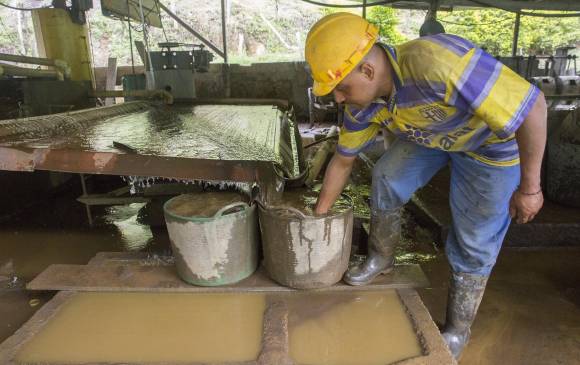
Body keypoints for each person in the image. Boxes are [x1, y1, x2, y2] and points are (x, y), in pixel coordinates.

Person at [305, 12, 546, 359]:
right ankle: (381, 258)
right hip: (433, 139)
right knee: (386, 176)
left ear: (368, 71)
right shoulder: (364, 105)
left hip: (489, 146)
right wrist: (319, 215)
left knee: (474, 241)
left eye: (341, 87)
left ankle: (456, 332)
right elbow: (343, 161)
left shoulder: (437, 63)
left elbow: (533, 106)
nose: (339, 99)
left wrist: (530, 189)